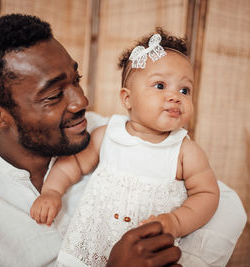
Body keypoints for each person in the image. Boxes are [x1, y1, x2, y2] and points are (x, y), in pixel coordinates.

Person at [0, 14, 246, 267]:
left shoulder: (112, 133)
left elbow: (227, 206)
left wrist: (173, 240)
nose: (81, 102)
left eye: (76, 80)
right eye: (53, 95)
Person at [30, 30, 222, 267]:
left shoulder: (185, 151)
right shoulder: (108, 134)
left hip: (149, 255)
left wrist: (175, 221)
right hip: (92, 244)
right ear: (127, 98)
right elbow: (74, 164)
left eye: (185, 90)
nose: (175, 96)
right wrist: (52, 192)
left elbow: (207, 195)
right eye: (160, 85)